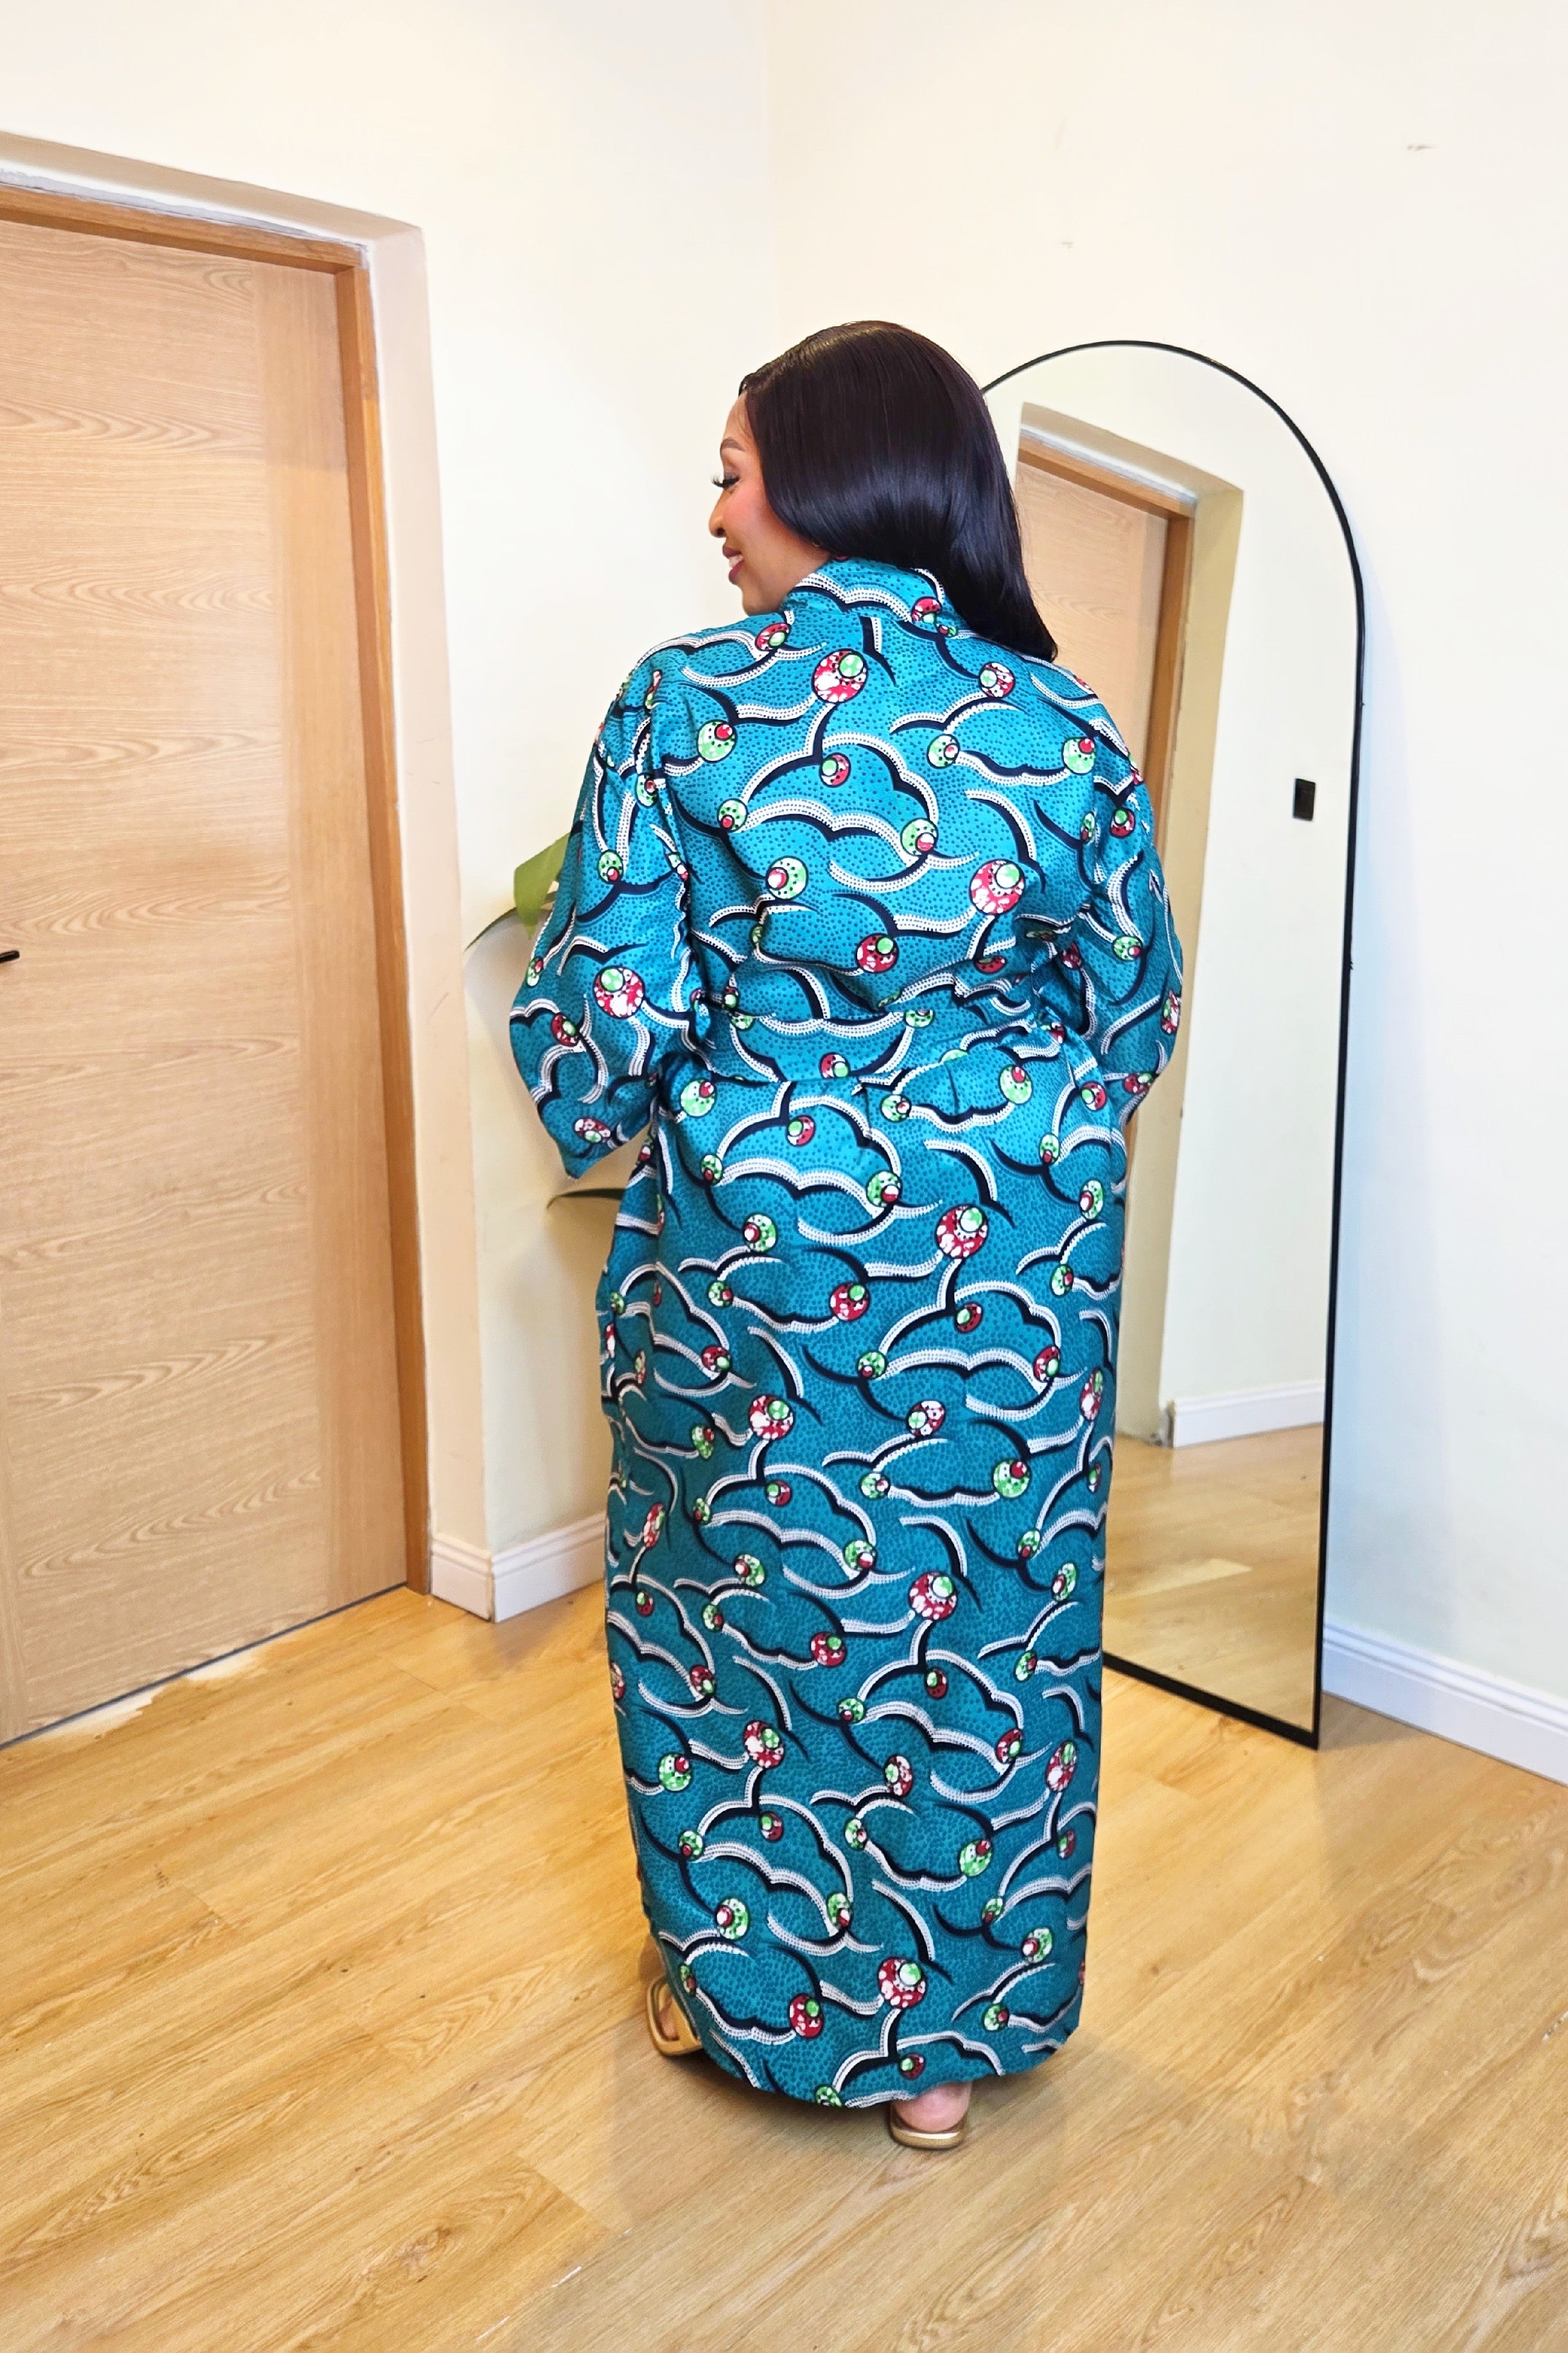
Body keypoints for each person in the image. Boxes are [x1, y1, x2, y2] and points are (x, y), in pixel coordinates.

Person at [510, 322, 1182, 2150]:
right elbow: (1132, 1012)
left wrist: (659, 1107)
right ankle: (946, 2056)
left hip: (766, 1272)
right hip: (1013, 1269)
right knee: (986, 1620)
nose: (712, 508)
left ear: (823, 475)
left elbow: (602, 1020)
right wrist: (1002, 1162)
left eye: (730, 465)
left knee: (748, 1618)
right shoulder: (1063, 727)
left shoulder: (687, 705)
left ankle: (758, 1995)